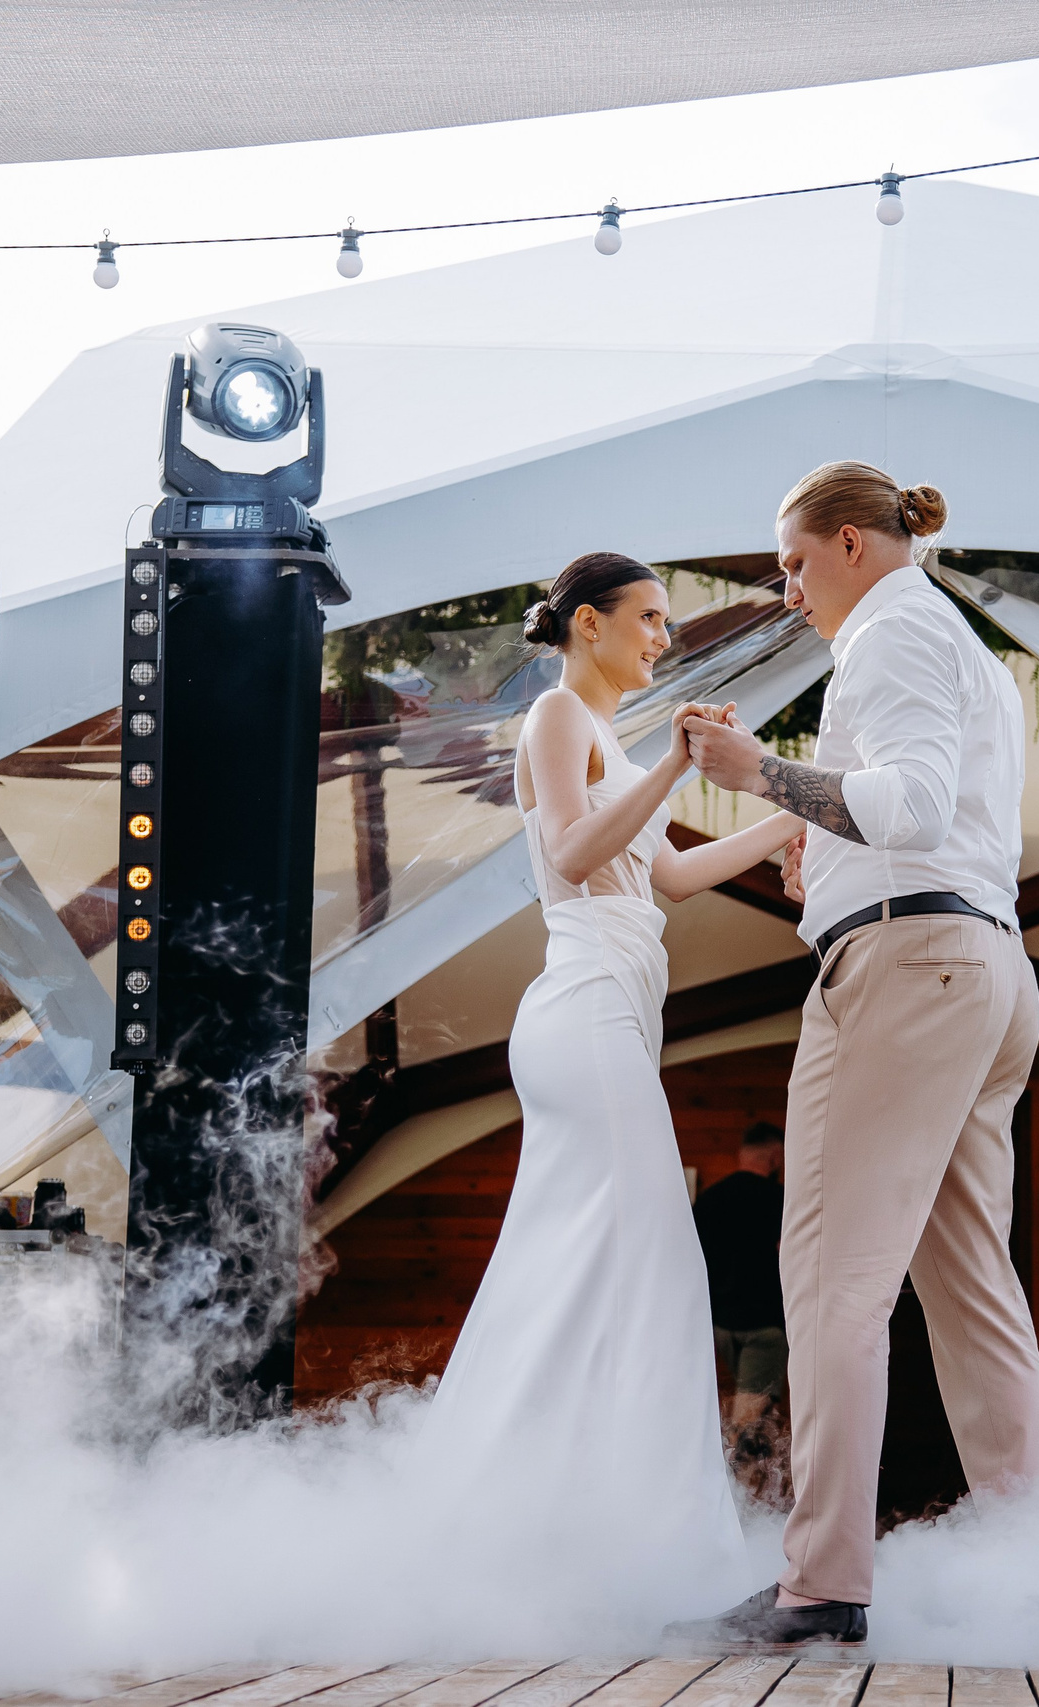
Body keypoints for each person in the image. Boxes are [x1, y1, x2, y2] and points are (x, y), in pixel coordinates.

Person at [668, 464, 1039, 1650]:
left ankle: (821, 1578)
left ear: (846, 544)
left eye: (790, 565)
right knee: (972, 1290)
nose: (787, 593)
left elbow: (913, 807)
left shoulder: (888, 635)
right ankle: (1031, 1573)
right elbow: (929, 817)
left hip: (901, 973)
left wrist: (757, 779)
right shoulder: (965, 651)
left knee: (832, 1281)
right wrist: (813, 843)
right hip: (983, 968)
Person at [414, 550, 807, 1620]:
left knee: (586, 1271)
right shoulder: (555, 719)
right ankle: (656, 1544)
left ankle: (539, 1524)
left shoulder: (605, 739)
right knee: (661, 1272)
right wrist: (674, 769)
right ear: (586, 623)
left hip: (615, 1019)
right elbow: (574, 854)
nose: (660, 638)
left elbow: (667, 876)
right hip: (582, 1011)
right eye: (646, 618)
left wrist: (796, 815)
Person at [694, 1124, 788, 1442]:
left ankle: (741, 1486)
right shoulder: (781, 1201)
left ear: (741, 1153)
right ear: (776, 1156)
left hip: (721, 1326)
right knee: (750, 1428)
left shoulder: (708, 1201)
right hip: (764, 1327)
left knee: (742, 1421)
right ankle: (740, 1490)